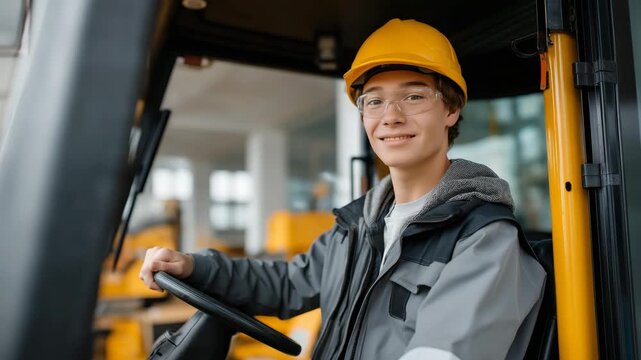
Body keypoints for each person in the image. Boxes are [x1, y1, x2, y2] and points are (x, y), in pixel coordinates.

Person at [140, 18, 546, 360]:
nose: (391, 116)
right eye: (374, 101)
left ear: (451, 109)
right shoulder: (357, 227)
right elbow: (286, 284)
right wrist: (194, 267)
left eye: (414, 96)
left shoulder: (483, 239)